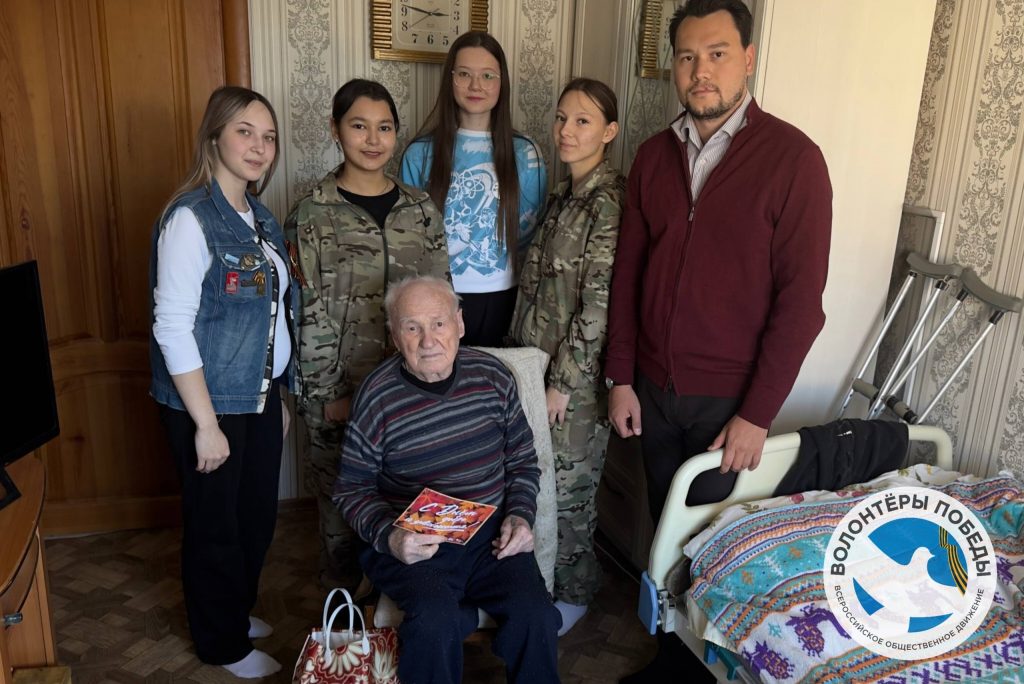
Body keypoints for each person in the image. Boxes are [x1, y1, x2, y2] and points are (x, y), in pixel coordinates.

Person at [604, 1, 832, 681]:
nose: (700, 71)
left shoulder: (794, 160)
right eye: (687, 56)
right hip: (653, 392)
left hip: (729, 405)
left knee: (719, 550)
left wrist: (757, 413)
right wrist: (621, 375)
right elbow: (629, 274)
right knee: (666, 539)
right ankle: (670, 660)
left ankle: (708, 670)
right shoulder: (653, 156)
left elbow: (802, 306)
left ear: (748, 59)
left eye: (717, 53)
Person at [334, 276, 561, 684]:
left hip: (490, 535)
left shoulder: (494, 376)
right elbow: (351, 489)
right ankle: (456, 615)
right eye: (412, 327)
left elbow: (523, 461)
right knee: (435, 621)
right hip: (413, 538)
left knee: (537, 615)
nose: (428, 341)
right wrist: (390, 537)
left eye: (438, 323)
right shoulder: (376, 396)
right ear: (394, 335)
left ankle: (465, 614)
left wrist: (520, 517)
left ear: (460, 323)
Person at [149, 86, 297, 678]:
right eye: (245, 132)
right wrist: (206, 425)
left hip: (257, 397)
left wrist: (277, 397)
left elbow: (271, 317)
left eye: (269, 137)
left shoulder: (259, 217)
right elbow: (172, 325)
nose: (259, 147)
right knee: (216, 527)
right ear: (214, 137)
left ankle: (233, 609)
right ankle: (221, 642)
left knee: (255, 517)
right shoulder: (191, 218)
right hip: (207, 403)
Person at [284, 79, 449, 592]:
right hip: (341, 394)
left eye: (384, 127)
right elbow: (305, 312)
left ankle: (400, 611)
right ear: (336, 130)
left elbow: (442, 300)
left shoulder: (420, 210)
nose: (373, 140)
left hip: (410, 390)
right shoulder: (311, 214)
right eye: (359, 126)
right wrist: (329, 394)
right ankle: (344, 619)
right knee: (342, 507)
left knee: (409, 500)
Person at [508, 78, 625, 637]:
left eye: (582, 121)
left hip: (571, 381)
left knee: (572, 487)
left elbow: (598, 305)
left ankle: (576, 592)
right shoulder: (562, 196)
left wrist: (564, 381)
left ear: (609, 132)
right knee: (538, 480)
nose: (566, 130)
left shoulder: (608, 202)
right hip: (534, 363)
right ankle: (540, 584)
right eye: (561, 118)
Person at [401, 31, 548, 347]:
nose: (476, 86)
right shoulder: (419, 153)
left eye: (488, 76)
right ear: (450, 79)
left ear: (502, 82)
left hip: (503, 297)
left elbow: (531, 235)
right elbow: (409, 238)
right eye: (464, 74)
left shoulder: (526, 154)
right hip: (437, 298)